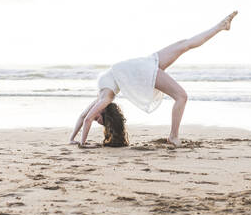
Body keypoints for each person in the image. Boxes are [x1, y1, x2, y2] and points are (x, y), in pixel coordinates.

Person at [69, 11, 238, 147]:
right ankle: (173, 136)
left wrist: (81, 143)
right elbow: (85, 116)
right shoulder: (105, 95)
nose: (96, 119)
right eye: (100, 121)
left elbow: (86, 118)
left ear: (104, 111)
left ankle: (221, 26)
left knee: (183, 44)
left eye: (99, 119)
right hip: (140, 68)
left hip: (142, 68)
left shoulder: (105, 98)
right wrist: (73, 138)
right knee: (182, 94)